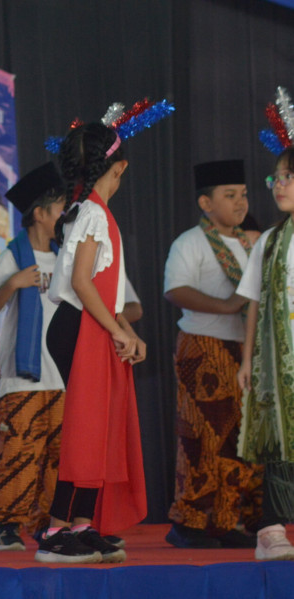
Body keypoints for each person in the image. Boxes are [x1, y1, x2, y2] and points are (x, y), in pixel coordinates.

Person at [40, 122, 148, 564]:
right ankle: (55, 530)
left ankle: (82, 524)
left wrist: (127, 330)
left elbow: (104, 291)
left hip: (92, 324)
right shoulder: (93, 213)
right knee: (86, 429)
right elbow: (82, 284)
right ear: (119, 168)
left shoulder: (92, 211)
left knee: (99, 428)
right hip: (79, 326)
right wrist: (119, 330)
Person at [164, 160, 261, 549]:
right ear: (206, 203)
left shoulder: (253, 243)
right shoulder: (190, 242)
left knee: (239, 438)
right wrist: (226, 306)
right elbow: (175, 290)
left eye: (244, 194)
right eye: (229, 195)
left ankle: (225, 521)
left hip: (244, 350)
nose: (240, 202)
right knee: (202, 437)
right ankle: (189, 522)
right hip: (203, 348)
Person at [0, 162, 66, 551]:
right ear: (40, 214)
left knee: (56, 459)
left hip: (61, 377)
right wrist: (14, 282)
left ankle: (47, 525)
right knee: (18, 454)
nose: (65, 216)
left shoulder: (65, 257)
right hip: (23, 377)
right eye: (60, 208)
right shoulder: (13, 256)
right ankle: (5, 526)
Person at [236, 145, 294, 561]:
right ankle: (271, 530)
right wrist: (247, 360)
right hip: (278, 363)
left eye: (289, 177)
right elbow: (254, 303)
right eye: (276, 178)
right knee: (278, 439)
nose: (279, 185)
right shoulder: (269, 242)